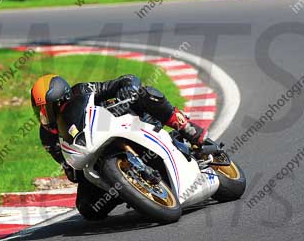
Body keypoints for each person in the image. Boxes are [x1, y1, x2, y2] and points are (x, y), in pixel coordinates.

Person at [30, 73, 206, 220]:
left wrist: (128, 89)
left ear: (65, 99)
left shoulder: (82, 91)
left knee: (145, 93)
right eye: (40, 112)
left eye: (49, 109)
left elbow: (122, 81)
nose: (45, 117)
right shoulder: (47, 136)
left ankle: (184, 126)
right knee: (88, 209)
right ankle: (127, 190)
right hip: (94, 156)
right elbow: (68, 168)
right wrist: (70, 168)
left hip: (126, 124)